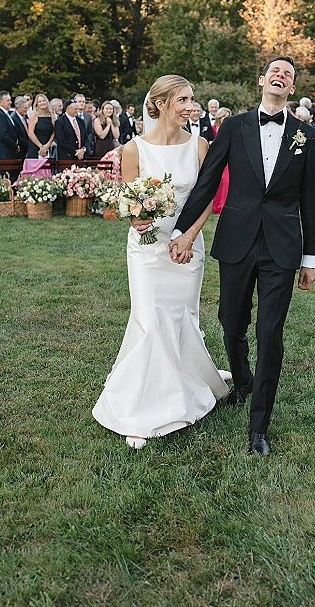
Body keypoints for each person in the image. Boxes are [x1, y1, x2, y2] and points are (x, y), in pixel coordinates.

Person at [170, 56, 315, 456]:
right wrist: (181, 231)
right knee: (230, 322)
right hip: (237, 240)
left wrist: (310, 259)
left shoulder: (307, 137)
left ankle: (259, 428)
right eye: (275, 70)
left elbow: (310, 202)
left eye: (288, 74)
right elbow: (208, 180)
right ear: (261, 80)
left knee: (270, 334)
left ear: (291, 89)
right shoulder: (234, 127)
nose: (280, 75)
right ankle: (241, 380)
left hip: (282, 247)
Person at [93, 75, 230, 448]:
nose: (191, 105)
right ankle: (140, 410)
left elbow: (205, 199)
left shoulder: (199, 145)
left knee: (183, 316)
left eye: (192, 99)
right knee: (149, 319)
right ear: (162, 103)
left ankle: (189, 379)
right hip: (147, 249)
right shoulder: (134, 149)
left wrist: (187, 237)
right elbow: (130, 199)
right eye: (183, 99)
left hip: (188, 246)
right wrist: (136, 217)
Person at [211, 107, 232, 214]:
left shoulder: (231, 128)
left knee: (226, 181)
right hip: (215, 158)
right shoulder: (212, 128)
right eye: (224, 116)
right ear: (219, 117)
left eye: (228, 116)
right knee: (217, 181)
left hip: (228, 158)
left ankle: (222, 205)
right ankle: (215, 205)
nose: (226, 118)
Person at [0, 91, 19, 161]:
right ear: (0, 102)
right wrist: (15, 146)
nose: (10, 102)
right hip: (3, 153)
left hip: (7, 152)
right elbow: (3, 135)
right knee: (5, 172)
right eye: (8, 100)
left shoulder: (4, 113)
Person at [55, 98, 87, 163]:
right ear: (68, 108)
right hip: (67, 157)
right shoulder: (60, 122)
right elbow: (62, 141)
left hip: (81, 157)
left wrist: (83, 150)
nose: (77, 111)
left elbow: (85, 138)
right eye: (75, 109)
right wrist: (75, 152)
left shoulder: (81, 121)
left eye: (77, 109)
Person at [26, 94, 55, 160]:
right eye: (40, 101)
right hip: (35, 146)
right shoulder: (33, 114)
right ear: (37, 104)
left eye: (43, 101)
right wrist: (40, 146)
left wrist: (47, 146)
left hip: (47, 146)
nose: (42, 103)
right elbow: (30, 133)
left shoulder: (51, 114)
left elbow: (53, 132)